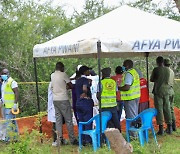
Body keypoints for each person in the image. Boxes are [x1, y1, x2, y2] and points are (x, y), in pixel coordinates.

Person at [51, 62, 78, 145]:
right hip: (63, 99)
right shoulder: (63, 74)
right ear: (61, 67)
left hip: (55, 100)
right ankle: (72, 139)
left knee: (58, 121)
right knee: (68, 120)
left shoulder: (52, 75)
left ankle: (59, 139)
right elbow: (71, 85)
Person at [150, 56, 172, 135]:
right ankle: (169, 127)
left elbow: (151, 79)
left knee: (159, 109)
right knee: (167, 108)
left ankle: (161, 129)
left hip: (158, 91)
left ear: (157, 62)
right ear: (163, 62)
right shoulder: (167, 70)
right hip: (166, 90)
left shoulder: (156, 69)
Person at [118, 60, 140, 131]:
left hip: (130, 98)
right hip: (135, 96)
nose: (123, 66)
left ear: (127, 65)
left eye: (124, 65)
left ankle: (133, 135)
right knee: (134, 115)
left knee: (131, 117)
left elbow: (127, 87)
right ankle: (135, 132)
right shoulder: (134, 72)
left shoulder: (128, 74)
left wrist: (118, 88)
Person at [97, 67, 121, 132]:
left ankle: (106, 137)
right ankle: (119, 134)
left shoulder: (101, 82)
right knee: (116, 122)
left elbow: (98, 95)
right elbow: (116, 93)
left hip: (104, 106)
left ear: (103, 74)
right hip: (113, 105)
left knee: (106, 122)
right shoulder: (113, 82)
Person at [75, 65, 94, 145]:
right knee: (88, 121)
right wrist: (85, 93)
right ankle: (88, 140)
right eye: (88, 70)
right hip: (85, 103)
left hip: (78, 103)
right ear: (85, 71)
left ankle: (82, 140)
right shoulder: (85, 80)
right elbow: (84, 88)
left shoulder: (77, 80)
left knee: (81, 122)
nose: (89, 72)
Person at [1, 68, 19, 142]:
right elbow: (4, 94)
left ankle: (7, 140)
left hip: (11, 106)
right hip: (5, 105)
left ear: (8, 74)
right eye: (2, 74)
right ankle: (16, 138)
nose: (3, 75)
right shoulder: (4, 82)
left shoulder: (12, 82)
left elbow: (17, 93)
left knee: (8, 123)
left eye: (4, 73)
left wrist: (15, 104)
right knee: (13, 122)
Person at [47, 81, 66, 146]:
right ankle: (56, 140)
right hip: (54, 106)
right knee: (55, 123)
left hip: (57, 105)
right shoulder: (53, 83)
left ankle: (60, 139)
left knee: (59, 123)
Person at [164, 58, 176, 131]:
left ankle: (169, 127)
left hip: (167, 91)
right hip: (172, 90)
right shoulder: (172, 71)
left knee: (167, 109)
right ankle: (174, 125)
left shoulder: (165, 71)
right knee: (171, 108)